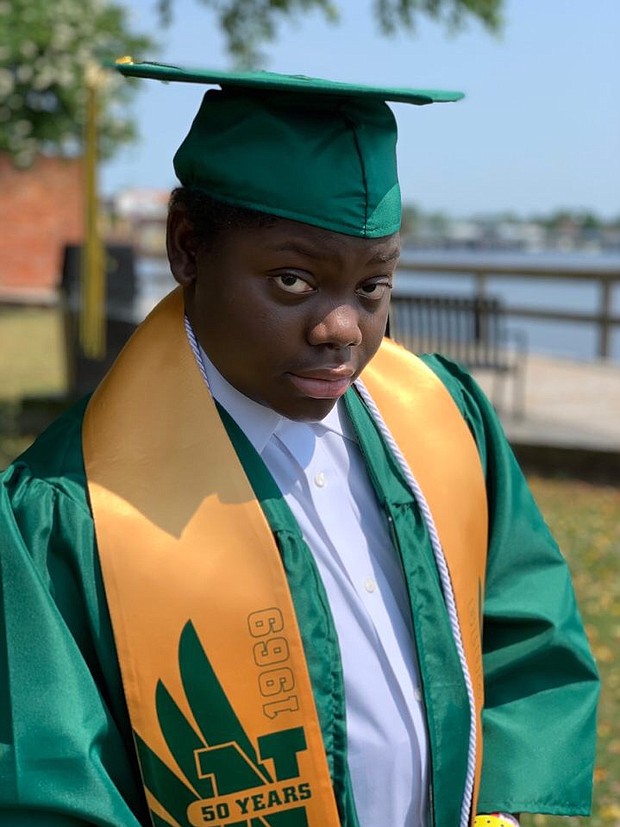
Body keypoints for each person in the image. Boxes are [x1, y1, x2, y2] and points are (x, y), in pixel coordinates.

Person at [0, 60, 599, 827]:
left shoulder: (443, 418)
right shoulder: (67, 508)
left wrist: (499, 812)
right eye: (292, 280)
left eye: (372, 287)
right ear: (187, 247)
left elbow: (529, 628)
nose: (341, 328)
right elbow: (46, 778)